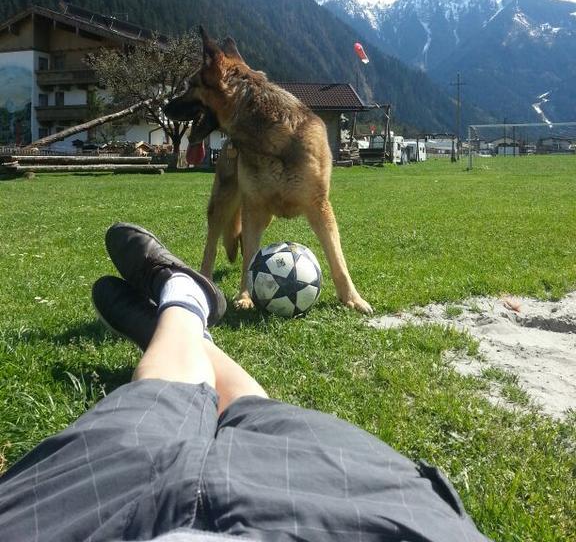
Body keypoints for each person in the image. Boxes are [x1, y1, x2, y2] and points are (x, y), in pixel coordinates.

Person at [0, 223, 492, 542]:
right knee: (256, 420)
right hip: (371, 520)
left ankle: (178, 316)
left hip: (82, 516)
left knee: (157, 408)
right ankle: (181, 316)